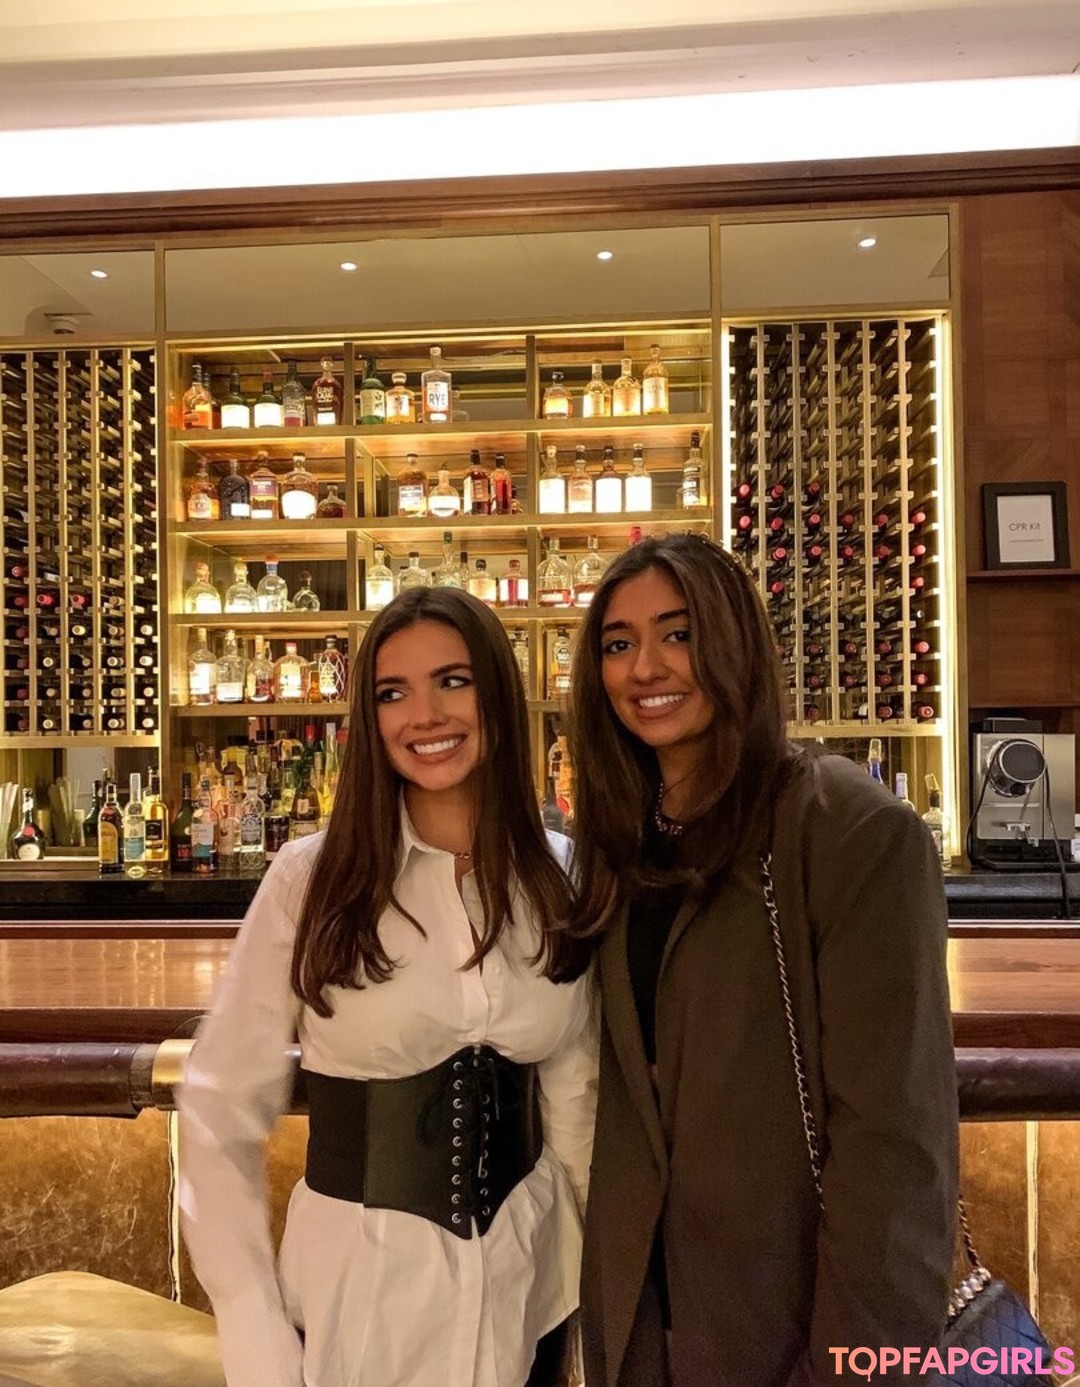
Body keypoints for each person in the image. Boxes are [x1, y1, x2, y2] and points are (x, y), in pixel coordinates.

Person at [565, 533, 958, 1387]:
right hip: (637, 1322)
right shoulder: (618, 844)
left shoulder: (848, 830)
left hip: (784, 1322)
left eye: (678, 633)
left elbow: (895, 1150)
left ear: (736, 639)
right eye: (619, 643)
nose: (645, 667)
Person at [178, 586, 596, 1387]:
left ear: (497, 693)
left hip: (529, 1293)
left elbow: (576, 1089)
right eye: (392, 693)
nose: (424, 715)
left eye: (452, 681)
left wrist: (597, 1290)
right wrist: (253, 1325)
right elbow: (218, 1104)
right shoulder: (309, 879)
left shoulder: (559, 872)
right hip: (362, 1308)